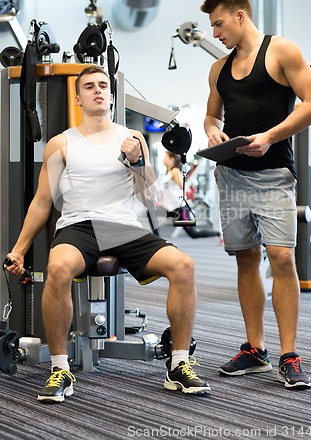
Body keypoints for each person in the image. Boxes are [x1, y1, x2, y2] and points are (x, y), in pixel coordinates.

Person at [4, 65, 210, 402]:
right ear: (79, 98)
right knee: (57, 268)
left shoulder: (132, 138)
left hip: (123, 226)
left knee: (184, 265)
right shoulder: (61, 144)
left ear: (112, 97)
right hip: (78, 225)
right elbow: (42, 202)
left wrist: (139, 161)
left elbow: (152, 197)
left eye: (103, 85)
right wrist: (19, 249)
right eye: (89, 86)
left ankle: (179, 364)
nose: (98, 90)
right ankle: (60, 368)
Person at [200, 0, 311, 389]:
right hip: (231, 175)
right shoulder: (218, 69)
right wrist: (211, 129)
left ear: (239, 16)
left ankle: (289, 354)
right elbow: (209, 113)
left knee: (281, 258)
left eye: (218, 24)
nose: (215, 33)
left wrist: (269, 136)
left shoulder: (281, 51)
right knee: (245, 258)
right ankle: (256, 350)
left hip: (273, 175)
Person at [162, 151, 220, 239]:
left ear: (172, 159)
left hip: (180, 209)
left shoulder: (175, 171)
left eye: (165, 157)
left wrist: (184, 184)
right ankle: (156, 240)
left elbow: (183, 186)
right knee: (152, 213)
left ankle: (217, 233)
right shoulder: (169, 173)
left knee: (194, 233)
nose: (163, 159)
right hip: (171, 209)